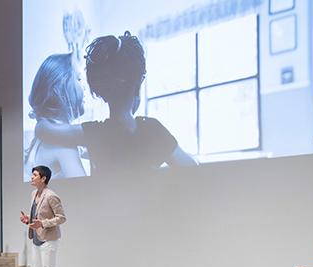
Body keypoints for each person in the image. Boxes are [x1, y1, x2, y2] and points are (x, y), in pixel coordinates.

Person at [35, 31, 197, 175]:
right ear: (139, 82)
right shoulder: (154, 130)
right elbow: (193, 168)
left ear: (98, 90)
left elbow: (44, 131)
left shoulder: (94, 134)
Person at [24, 53, 87, 179]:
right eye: (79, 79)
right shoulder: (62, 143)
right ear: (61, 87)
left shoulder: (42, 139)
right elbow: (85, 193)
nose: (84, 87)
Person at [19, 165, 66, 267]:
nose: (31, 178)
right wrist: (29, 219)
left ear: (43, 178)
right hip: (36, 238)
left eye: (34, 175)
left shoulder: (51, 196)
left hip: (49, 239)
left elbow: (62, 218)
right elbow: (38, 214)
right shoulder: (34, 194)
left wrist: (43, 223)